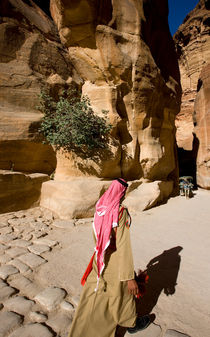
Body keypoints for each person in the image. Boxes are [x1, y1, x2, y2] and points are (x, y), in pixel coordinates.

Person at [68, 178, 151, 337]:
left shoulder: (100, 208)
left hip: (99, 260)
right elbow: (123, 244)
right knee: (123, 295)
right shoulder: (120, 212)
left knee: (94, 295)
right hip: (115, 261)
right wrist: (128, 277)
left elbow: (97, 237)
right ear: (122, 193)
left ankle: (80, 330)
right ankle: (131, 323)